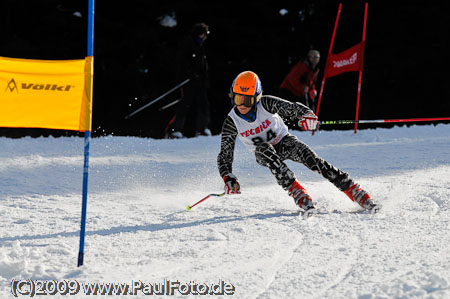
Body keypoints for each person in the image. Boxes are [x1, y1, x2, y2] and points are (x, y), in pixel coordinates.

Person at [217, 71, 378, 217]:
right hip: (264, 154)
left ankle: (353, 190)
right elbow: (225, 155)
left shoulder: (266, 104)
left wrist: (307, 116)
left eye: (248, 100)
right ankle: (297, 192)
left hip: (285, 142)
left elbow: (293, 108)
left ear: (257, 98)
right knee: (264, 149)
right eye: (238, 98)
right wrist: (228, 177)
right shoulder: (232, 122)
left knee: (314, 161)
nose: (242, 105)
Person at [166, 22, 212, 138]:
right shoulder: (188, 43)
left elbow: (202, 66)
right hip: (188, 81)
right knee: (185, 104)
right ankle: (173, 130)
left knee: (204, 105)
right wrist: (190, 74)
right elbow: (182, 62)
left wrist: (203, 80)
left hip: (200, 83)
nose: (205, 37)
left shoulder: (199, 46)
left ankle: (203, 129)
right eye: (204, 34)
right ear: (199, 33)